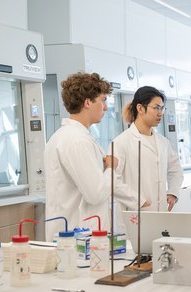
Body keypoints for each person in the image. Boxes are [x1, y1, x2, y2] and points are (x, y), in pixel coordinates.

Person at [44, 72, 136, 242]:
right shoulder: (77, 141)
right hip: (76, 239)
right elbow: (95, 193)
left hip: (75, 237)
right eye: (103, 100)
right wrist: (110, 167)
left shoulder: (68, 136)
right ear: (87, 102)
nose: (106, 107)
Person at [111, 86, 183, 233]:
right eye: (156, 108)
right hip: (134, 216)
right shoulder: (121, 142)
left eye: (162, 108)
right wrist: (140, 201)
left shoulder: (163, 142)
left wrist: (173, 192)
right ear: (140, 108)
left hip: (161, 216)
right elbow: (112, 181)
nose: (160, 113)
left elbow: (175, 170)